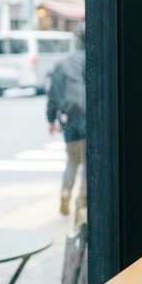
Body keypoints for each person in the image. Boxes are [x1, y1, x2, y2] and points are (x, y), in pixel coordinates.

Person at [47, 26, 87, 216]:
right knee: (88, 163)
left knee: (72, 160)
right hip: (89, 119)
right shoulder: (92, 61)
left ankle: (65, 193)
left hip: (69, 120)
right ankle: (82, 201)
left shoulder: (62, 64)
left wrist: (50, 119)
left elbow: (53, 94)